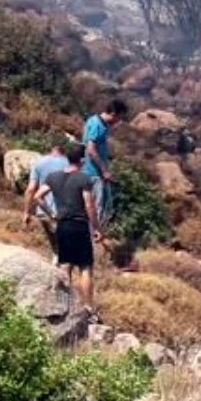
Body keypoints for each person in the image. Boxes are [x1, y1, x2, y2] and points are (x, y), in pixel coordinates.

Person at [25, 144, 102, 316]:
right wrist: (96, 227)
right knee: (85, 267)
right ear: (82, 160)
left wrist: (52, 213)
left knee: (65, 264)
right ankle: (88, 308)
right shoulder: (84, 178)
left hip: (62, 224)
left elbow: (38, 197)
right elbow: (89, 204)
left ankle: (63, 304)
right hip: (79, 224)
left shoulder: (54, 177)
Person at [21, 136, 70, 264]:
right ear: (63, 147)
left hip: (44, 209)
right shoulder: (69, 163)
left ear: (50, 147)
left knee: (54, 243)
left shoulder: (38, 163)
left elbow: (31, 189)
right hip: (64, 211)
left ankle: (56, 257)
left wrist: (26, 212)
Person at [82, 99, 129, 226]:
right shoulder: (99, 126)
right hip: (94, 172)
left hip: (89, 170)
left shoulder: (94, 120)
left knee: (91, 204)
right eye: (119, 118)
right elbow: (91, 149)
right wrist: (104, 170)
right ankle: (94, 235)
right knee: (98, 206)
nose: (119, 121)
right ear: (113, 113)